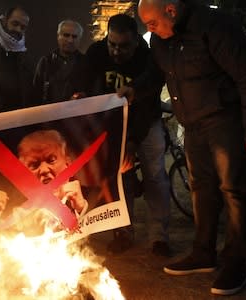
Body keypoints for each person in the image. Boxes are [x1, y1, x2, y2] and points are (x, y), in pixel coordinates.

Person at [118, 0, 246, 295]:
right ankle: (203, 251)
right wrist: (136, 88)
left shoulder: (215, 27)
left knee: (234, 190)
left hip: (228, 121)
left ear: (171, 11)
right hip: (195, 125)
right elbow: (157, 73)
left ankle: (236, 261)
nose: (150, 31)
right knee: (201, 188)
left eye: (152, 24)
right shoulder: (163, 41)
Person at [72, 14, 171, 256]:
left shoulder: (147, 59)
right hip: (111, 124)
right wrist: (80, 96)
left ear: (136, 41)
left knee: (154, 175)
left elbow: (146, 106)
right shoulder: (96, 52)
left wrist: (133, 141)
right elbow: (82, 81)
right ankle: (123, 231)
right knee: (120, 177)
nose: (116, 51)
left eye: (123, 46)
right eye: (112, 44)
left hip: (145, 121)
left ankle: (159, 236)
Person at [0, 129, 89, 231]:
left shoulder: (95, 197)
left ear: (68, 163)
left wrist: (82, 210)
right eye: (34, 165)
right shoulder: (14, 213)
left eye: (51, 160)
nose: (43, 170)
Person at [33, 20, 85, 104]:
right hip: (49, 113)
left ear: (80, 39)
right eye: (66, 35)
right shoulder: (45, 62)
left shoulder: (86, 63)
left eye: (74, 36)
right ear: (58, 36)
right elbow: (36, 93)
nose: (70, 40)